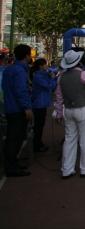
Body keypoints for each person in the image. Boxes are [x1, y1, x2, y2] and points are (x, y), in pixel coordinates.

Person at [54, 50, 85, 178]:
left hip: (68, 109)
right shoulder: (83, 74)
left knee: (69, 140)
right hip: (83, 108)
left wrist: (58, 113)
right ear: (78, 62)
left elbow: (59, 97)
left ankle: (67, 169)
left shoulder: (61, 77)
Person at [2, 44, 33, 177]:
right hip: (18, 109)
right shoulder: (20, 71)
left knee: (12, 138)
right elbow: (20, 91)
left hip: (10, 107)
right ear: (26, 56)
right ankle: (11, 168)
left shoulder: (10, 69)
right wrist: (26, 108)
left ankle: (13, 164)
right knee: (15, 139)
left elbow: (10, 87)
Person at [29, 58, 57, 153]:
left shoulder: (43, 75)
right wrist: (53, 79)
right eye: (45, 65)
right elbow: (49, 86)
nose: (47, 66)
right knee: (38, 125)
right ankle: (36, 144)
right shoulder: (38, 77)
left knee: (40, 124)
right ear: (40, 66)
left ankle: (38, 142)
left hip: (42, 103)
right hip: (39, 104)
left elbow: (51, 75)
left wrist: (52, 75)